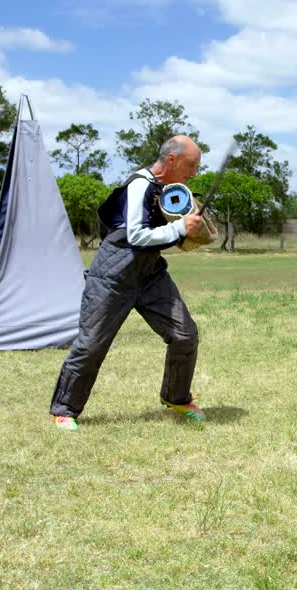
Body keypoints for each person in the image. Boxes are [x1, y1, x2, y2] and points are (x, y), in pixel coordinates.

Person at [49, 135, 210, 430]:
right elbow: (135, 235)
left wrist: (191, 229)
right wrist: (178, 227)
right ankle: (65, 410)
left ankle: (176, 397)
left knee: (184, 333)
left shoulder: (170, 189)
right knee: (92, 344)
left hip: (150, 274)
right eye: (191, 165)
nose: (194, 173)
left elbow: (168, 230)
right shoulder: (140, 184)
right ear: (171, 159)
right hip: (113, 274)